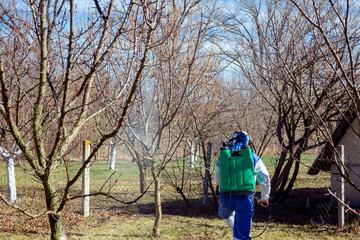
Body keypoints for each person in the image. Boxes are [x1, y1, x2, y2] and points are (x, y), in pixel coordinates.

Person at [214, 131, 271, 240]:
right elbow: (265, 178)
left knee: (227, 217)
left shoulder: (224, 156)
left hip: (226, 199)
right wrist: (265, 197)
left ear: (233, 141)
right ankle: (239, 235)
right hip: (245, 199)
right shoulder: (253, 157)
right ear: (247, 141)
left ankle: (235, 231)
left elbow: (217, 179)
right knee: (243, 232)